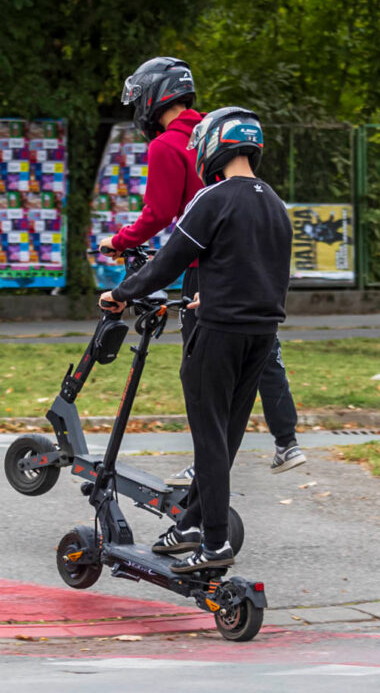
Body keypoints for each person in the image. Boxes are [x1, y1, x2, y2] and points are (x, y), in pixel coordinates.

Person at [98, 107, 292, 572]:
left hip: (218, 334)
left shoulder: (212, 198)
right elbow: (266, 273)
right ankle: (190, 524)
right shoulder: (277, 205)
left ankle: (214, 544)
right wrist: (218, 294)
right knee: (226, 436)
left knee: (208, 437)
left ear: (213, 146)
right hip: (262, 334)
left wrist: (120, 294)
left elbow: (168, 262)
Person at [105, 58, 305, 482]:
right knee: (262, 350)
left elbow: (158, 214)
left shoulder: (166, 145)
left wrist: (119, 241)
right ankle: (286, 441)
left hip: (204, 266)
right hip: (251, 261)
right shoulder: (214, 134)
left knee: (203, 378)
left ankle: (208, 466)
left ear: (155, 97)